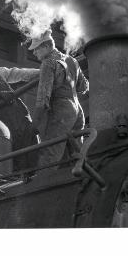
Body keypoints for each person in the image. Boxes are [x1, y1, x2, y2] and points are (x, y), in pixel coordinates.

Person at [28, 29, 89, 167]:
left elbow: (43, 100)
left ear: (46, 46)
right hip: (78, 112)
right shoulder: (72, 60)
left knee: (50, 154)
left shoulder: (48, 63)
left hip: (61, 112)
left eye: (36, 49)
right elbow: (84, 87)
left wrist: (34, 124)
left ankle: (42, 183)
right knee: (76, 157)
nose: (34, 52)